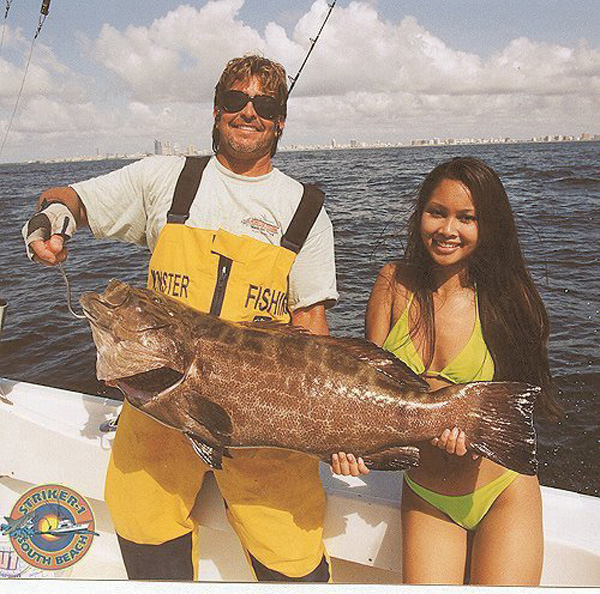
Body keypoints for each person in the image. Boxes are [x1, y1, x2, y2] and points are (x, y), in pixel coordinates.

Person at [22, 54, 338, 582]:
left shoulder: (306, 209)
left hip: (264, 421)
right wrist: (50, 222)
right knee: (144, 523)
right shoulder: (165, 179)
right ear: (216, 111)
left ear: (281, 119)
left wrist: (334, 430)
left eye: (265, 104)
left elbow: (312, 332)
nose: (249, 112)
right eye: (236, 100)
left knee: (291, 551)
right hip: (157, 406)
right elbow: (70, 200)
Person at [362, 157, 561, 585]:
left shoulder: (508, 300)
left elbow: (520, 409)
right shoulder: (392, 284)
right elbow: (365, 389)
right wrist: (349, 445)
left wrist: (475, 439)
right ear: (421, 216)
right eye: (437, 213)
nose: (448, 230)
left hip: (502, 493)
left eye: (466, 218)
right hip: (427, 494)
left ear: (487, 226)